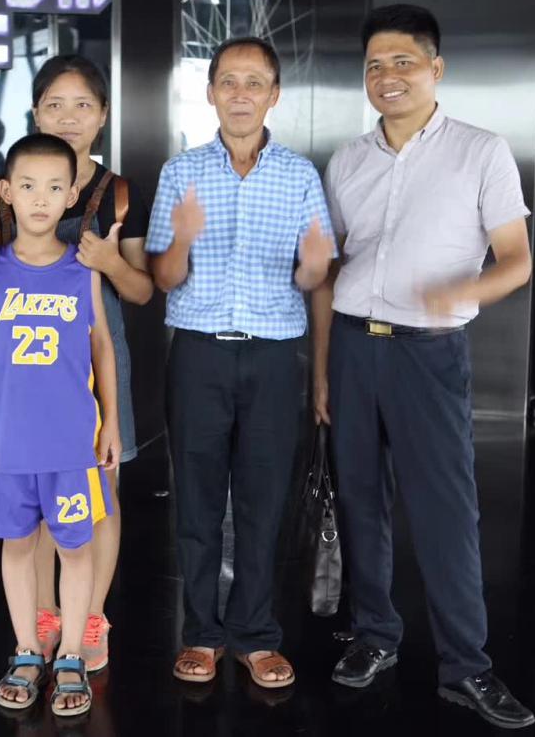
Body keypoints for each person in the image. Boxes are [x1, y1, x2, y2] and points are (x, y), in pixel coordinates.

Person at [310, 4, 535, 729]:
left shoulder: (481, 151)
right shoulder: (347, 160)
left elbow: (517, 260)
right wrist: (322, 371)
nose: (387, 76)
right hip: (353, 345)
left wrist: (462, 293)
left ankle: (466, 667)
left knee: (446, 511)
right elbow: (330, 270)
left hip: (429, 352)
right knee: (360, 500)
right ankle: (375, 635)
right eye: (375, 65)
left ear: (435, 68)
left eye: (403, 62)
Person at [146, 36, 334, 690]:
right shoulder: (181, 172)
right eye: (229, 81)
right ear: (210, 93)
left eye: (255, 83)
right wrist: (183, 239)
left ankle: (255, 634)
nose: (241, 94)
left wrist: (313, 269)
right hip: (198, 354)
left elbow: (315, 275)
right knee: (198, 502)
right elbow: (163, 278)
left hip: (274, 357)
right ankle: (201, 633)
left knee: (264, 500)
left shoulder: (300, 176)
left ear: (274, 95)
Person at [0, 55, 153, 672]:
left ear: (103, 115)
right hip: (21, 379)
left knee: (98, 497)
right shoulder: (2, 193)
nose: (69, 117)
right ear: (35, 112)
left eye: (82, 105)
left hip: (86, 368)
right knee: (30, 512)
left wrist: (108, 262)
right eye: (55, 105)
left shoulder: (117, 193)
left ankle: (88, 619)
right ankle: (44, 617)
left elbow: (140, 291)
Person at [0, 133, 122, 717]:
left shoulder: (83, 270)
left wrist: (112, 424)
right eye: (28, 186)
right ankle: (28, 649)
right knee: (18, 546)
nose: (41, 198)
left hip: (72, 443)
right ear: (7, 193)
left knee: (75, 549)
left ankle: (70, 653)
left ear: (72, 195)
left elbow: (102, 347)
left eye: (55, 187)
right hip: (9, 444)